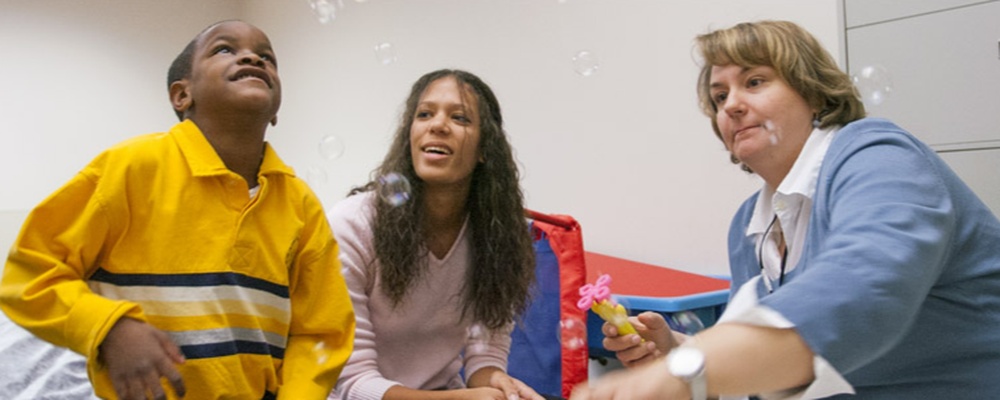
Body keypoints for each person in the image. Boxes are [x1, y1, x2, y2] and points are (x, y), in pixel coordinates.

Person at [574, 20, 1000, 399]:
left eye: (755, 82)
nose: (731, 106)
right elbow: (786, 371)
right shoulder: (749, 223)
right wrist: (675, 352)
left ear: (813, 92)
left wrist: (687, 372)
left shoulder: (877, 152)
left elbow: (861, 289)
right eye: (719, 97)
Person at [0, 20, 355, 400]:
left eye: (267, 57)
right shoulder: (130, 168)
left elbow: (322, 330)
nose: (253, 57)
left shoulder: (300, 204)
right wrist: (109, 329)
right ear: (182, 95)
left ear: (275, 111)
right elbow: (30, 276)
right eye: (224, 49)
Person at [328, 69, 547, 400]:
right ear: (410, 135)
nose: (438, 125)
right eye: (425, 114)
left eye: (459, 117)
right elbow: (351, 382)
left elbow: (484, 354)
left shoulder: (501, 234)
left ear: (485, 148)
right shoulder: (352, 225)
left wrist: (500, 384)